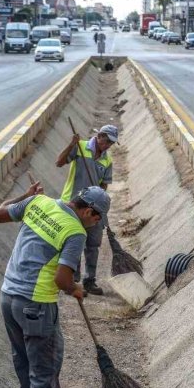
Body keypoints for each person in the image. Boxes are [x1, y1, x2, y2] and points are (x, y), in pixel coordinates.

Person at [0, 184, 111, 388]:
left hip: (8, 297)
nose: (96, 224)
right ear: (89, 210)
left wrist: (25, 194)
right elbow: (62, 279)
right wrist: (75, 289)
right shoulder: (75, 232)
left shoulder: (38, 202)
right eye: (96, 219)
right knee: (44, 374)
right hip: (36, 305)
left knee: (24, 366)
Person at [55, 124, 117, 295]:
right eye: (107, 141)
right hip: (73, 205)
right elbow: (59, 162)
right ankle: (72, 280)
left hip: (93, 208)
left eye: (111, 144)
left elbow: (104, 183)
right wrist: (71, 144)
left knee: (93, 244)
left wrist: (99, 197)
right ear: (100, 136)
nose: (108, 146)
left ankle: (90, 281)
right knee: (72, 242)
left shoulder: (107, 160)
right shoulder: (80, 147)